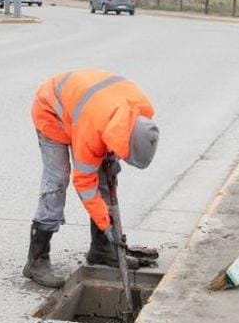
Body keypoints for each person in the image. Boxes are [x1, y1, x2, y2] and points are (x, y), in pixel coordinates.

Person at [24, 69, 160, 288]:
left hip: (85, 110)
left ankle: (102, 250)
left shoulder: (140, 113)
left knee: (106, 178)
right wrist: (107, 224)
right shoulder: (92, 131)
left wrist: (111, 159)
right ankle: (37, 259)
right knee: (57, 181)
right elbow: (85, 185)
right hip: (52, 112)